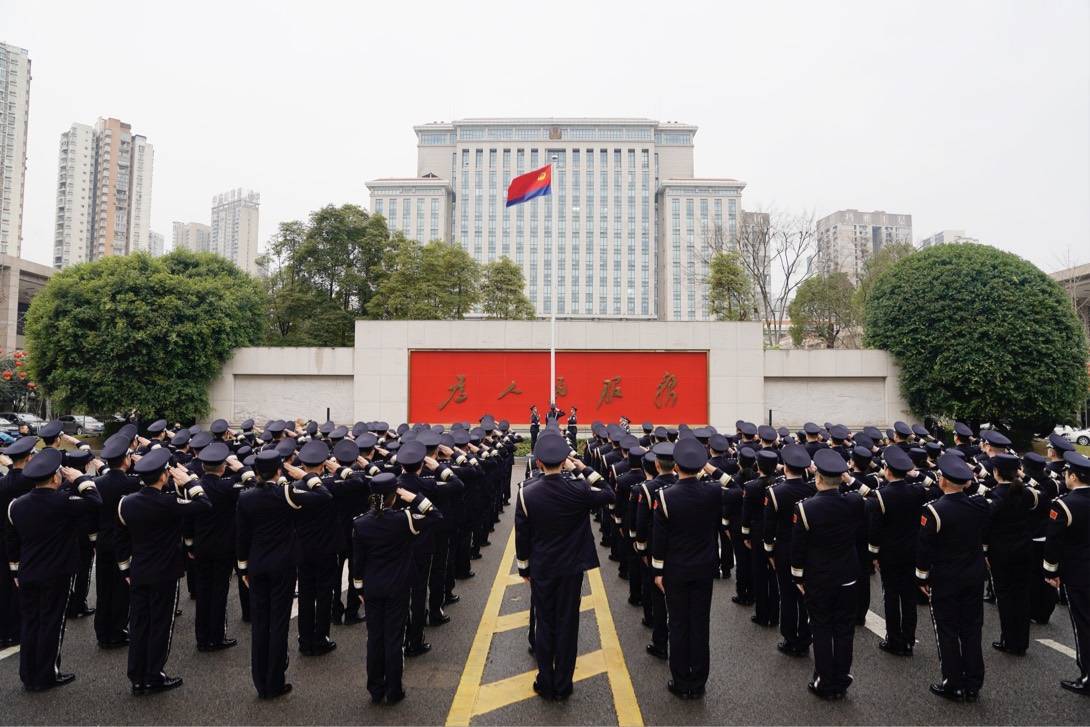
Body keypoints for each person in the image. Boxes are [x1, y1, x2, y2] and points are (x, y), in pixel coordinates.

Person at [515, 434, 614, 701]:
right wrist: (582, 468)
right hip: (572, 567)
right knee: (568, 623)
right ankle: (564, 683)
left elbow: (522, 537)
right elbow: (608, 491)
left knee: (545, 623)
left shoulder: (526, 492)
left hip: (543, 568)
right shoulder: (579, 489)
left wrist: (524, 569)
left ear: (537, 462)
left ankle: (546, 681)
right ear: (564, 461)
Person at [236, 450, 332, 699]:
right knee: (278, 623)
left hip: (257, 565)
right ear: (279, 471)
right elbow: (324, 497)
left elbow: (242, 537)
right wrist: (309, 477)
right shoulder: (286, 494)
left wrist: (243, 568)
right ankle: (275, 681)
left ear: (256, 472)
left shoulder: (245, 497)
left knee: (260, 624)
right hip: (283, 565)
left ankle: (260, 682)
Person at [117, 448, 212, 696]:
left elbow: (122, 539)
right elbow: (204, 504)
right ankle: (153, 675)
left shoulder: (126, 503)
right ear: (162, 476)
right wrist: (190, 482)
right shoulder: (169, 503)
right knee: (160, 624)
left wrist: (125, 569)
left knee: (139, 624)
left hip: (138, 570)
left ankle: (136, 676)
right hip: (165, 572)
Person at [5, 448, 101, 691]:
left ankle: (28, 674)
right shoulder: (63, 502)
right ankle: (47, 674)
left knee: (30, 623)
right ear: (56, 478)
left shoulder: (16, 506)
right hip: (57, 572)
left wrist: (15, 572)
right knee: (51, 623)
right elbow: (94, 501)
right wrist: (80, 479)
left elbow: (12, 543)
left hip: (27, 572)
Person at [352, 473, 442, 704]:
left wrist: (359, 589)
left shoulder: (360, 523)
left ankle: (375, 687)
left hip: (372, 586)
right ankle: (394, 689)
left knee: (375, 638)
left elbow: (358, 562)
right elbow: (435, 515)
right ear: (395, 496)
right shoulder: (404, 520)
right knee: (394, 638)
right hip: (398, 586)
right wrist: (414, 497)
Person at [791, 449, 866, 700]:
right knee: (844, 630)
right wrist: (848, 479)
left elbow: (798, 549)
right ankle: (841, 678)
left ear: (817, 478)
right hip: (848, 575)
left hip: (819, 577)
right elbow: (869, 494)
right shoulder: (854, 502)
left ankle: (824, 679)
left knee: (821, 628)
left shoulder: (805, 509)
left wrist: (798, 577)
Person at [650, 437, 721, 699]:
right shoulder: (713, 491)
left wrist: (657, 571)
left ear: (676, 465)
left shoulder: (665, 497)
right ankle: (699, 680)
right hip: (704, 568)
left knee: (678, 624)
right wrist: (713, 471)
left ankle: (681, 681)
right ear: (701, 466)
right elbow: (735, 488)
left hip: (676, 570)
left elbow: (660, 540)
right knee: (700, 624)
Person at [916, 453, 990, 702]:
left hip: (946, 577)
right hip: (973, 575)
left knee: (947, 630)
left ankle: (953, 681)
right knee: (972, 629)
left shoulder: (934, 512)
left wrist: (922, 578)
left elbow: (924, 550)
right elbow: (987, 490)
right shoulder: (979, 504)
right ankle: (974, 681)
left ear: (943, 481)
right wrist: (970, 478)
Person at [868, 445, 928, 657]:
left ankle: (894, 639)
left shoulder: (881, 497)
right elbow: (934, 487)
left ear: (888, 470)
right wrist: (917, 474)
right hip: (913, 550)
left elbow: (875, 531)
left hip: (890, 553)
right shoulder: (918, 490)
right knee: (909, 598)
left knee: (891, 596)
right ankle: (909, 639)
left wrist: (874, 555)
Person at [985, 452, 1043, 657]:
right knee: (1022, 596)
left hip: (1002, 553)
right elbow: (1042, 496)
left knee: (1006, 597)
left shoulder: (994, 495)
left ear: (996, 472)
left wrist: (985, 552)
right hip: (1024, 549)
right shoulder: (1026, 493)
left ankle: (1009, 640)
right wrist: (1024, 478)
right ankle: (1021, 642)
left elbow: (986, 527)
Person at [188, 441, 244, 653]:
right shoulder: (228, 487)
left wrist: (190, 545)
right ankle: (216, 636)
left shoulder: (195, 487)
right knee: (219, 592)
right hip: (223, 546)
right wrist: (237, 465)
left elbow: (188, 522)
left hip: (201, 545)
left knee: (203, 592)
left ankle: (202, 638)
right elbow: (248, 478)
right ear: (223, 467)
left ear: (203, 466)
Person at [1042, 451, 1090, 695]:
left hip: (1078, 573)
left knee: (1083, 624)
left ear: (1072, 476)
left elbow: (1053, 543)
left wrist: (1051, 571)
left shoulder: (1064, 504)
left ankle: (1087, 675)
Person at [764, 444, 815, 656]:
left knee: (787, 595)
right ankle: (804, 636)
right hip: (808, 549)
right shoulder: (812, 489)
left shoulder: (775, 492)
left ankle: (790, 637)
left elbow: (769, 527)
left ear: (785, 467)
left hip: (784, 548)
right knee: (804, 594)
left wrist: (769, 551)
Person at [292, 439, 340, 656]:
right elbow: (359, 482)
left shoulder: (293, 489)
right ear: (323, 465)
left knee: (305, 595)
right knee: (323, 595)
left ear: (302, 466)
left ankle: (304, 638)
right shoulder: (330, 486)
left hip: (303, 549)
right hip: (327, 549)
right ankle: (320, 638)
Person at [92, 433, 141, 648]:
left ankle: (102, 631)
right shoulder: (132, 483)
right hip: (124, 542)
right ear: (125, 460)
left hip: (103, 540)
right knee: (121, 589)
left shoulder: (97, 482)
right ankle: (117, 630)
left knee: (103, 589)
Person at [635, 442, 677, 659]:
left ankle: (660, 642)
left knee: (658, 597)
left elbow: (641, 525)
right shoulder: (684, 484)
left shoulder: (648, 489)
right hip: (681, 551)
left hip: (656, 548)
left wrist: (642, 550)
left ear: (657, 464)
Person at [0, 435, 37, 649]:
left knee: (4, 586)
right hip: (23, 540)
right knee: (21, 588)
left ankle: (5, 630)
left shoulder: (3, 483)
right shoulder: (31, 483)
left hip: (2, 539)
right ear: (29, 457)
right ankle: (17, 630)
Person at [742, 450, 781, 627]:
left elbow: (746, 515)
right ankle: (774, 613)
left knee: (759, 574)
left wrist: (745, 535)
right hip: (775, 532)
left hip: (758, 533)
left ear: (758, 465)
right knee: (774, 574)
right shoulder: (779, 484)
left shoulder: (751, 486)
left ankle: (762, 614)